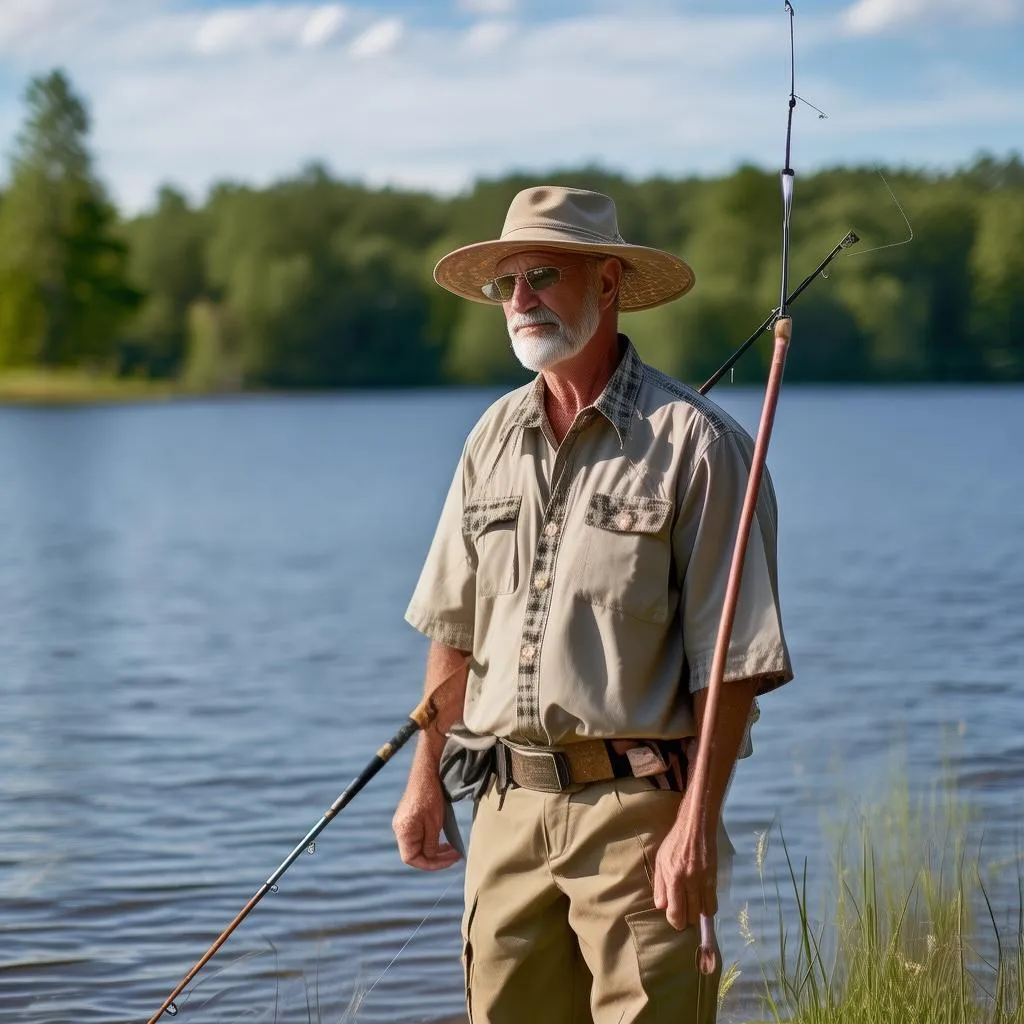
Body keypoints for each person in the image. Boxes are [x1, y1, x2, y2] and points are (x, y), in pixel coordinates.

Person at [392, 186, 793, 1024]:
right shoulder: (489, 438)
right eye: (508, 283)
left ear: (607, 284)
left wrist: (695, 826)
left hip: (640, 822)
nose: (521, 299)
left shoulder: (699, 445)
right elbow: (454, 630)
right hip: (502, 811)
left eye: (543, 274)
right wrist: (424, 777)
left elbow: (735, 666)